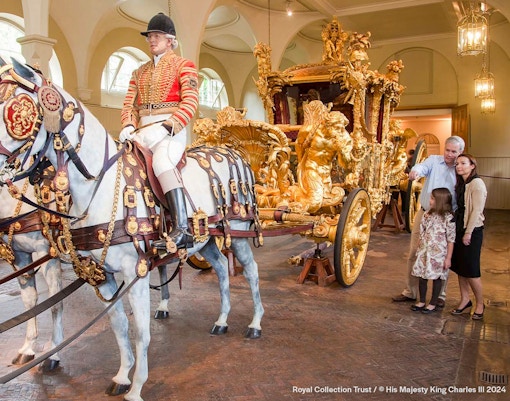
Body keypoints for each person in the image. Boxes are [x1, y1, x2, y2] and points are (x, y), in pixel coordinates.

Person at [119, 13, 199, 250]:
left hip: (169, 129)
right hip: (142, 129)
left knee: (162, 163)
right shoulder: (138, 72)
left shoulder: (185, 66)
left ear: (170, 40)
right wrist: (128, 124)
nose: (151, 40)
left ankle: (182, 228)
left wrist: (168, 127)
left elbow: (190, 102)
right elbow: (129, 104)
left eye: (157, 36)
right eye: (150, 36)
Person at [392, 135, 465, 306]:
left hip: (447, 217)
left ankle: (440, 295)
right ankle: (410, 291)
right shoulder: (434, 160)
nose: (449, 154)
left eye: (454, 152)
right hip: (425, 214)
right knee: (414, 253)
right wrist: (416, 171)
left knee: (443, 257)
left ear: (460, 152)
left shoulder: (460, 168)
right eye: (447, 150)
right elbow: (421, 166)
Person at [450, 154, 487, 320]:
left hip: (472, 230)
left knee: (472, 270)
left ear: (472, 166)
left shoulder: (477, 184)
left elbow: (476, 211)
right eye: (457, 163)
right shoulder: (462, 183)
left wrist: (468, 232)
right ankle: (465, 300)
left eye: (463, 163)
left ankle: (480, 303)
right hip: (459, 227)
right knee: (461, 267)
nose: (459, 166)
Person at [410, 188, 456, 313]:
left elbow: (451, 240)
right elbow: (422, 233)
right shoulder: (427, 215)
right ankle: (422, 300)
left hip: (438, 254)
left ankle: (433, 302)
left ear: (439, 201)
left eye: (432, 198)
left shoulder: (449, 218)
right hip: (425, 252)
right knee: (422, 276)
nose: (429, 201)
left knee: (437, 278)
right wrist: (418, 249)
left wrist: (448, 258)